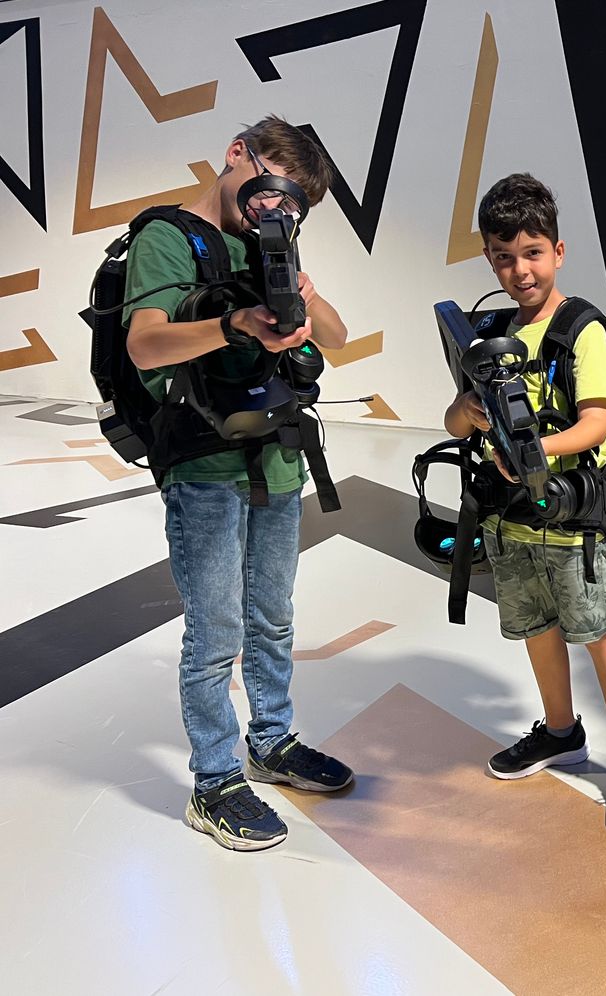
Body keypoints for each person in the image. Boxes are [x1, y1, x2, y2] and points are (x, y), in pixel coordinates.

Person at [124, 116, 353, 851]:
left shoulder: (268, 241)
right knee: (216, 632)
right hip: (204, 464)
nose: (273, 209)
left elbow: (337, 337)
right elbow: (144, 343)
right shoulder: (169, 237)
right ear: (236, 154)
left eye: (291, 204)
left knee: (273, 618)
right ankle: (215, 781)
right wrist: (238, 324)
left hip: (277, 458)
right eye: (269, 188)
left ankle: (272, 742)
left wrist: (302, 296)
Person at [443, 173, 606, 832]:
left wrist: (534, 451)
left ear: (558, 251)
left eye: (533, 253)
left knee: (598, 629)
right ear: (489, 260)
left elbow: (596, 424)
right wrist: (469, 408)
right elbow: (453, 422)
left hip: (570, 514)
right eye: (504, 257)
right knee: (536, 626)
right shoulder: (491, 332)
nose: (521, 270)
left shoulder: (579, 329)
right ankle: (561, 731)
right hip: (510, 516)